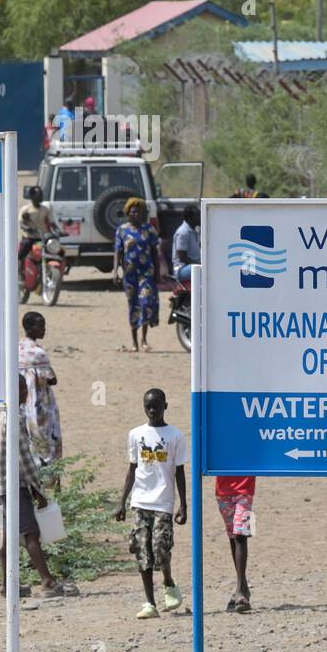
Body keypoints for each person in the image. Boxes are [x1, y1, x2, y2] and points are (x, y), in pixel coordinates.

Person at [116, 388, 188, 619]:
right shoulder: (136, 434)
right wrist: (122, 501)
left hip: (163, 502)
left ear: (165, 406)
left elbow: (179, 472)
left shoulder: (176, 436)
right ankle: (150, 603)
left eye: (156, 406)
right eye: (148, 406)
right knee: (142, 550)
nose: (152, 410)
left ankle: (168, 581)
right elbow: (132, 469)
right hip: (140, 501)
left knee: (160, 548)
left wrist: (183, 504)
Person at [0, 373, 63, 599]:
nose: (26, 393)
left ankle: (7, 584)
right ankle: (47, 581)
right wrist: (37, 489)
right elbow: (23, 458)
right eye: (22, 389)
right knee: (31, 533)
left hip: (1, 483)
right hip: (16, 485)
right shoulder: (15, 418)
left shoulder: (0, 417)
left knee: (8, 534)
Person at [113, 198, 160, 352]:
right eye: (133, 212)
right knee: (133, 305)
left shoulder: (149, 229)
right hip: (129, 274)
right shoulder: (122, 230)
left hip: (146, 272)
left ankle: (144, 339)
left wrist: (158, 272)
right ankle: (134, 342)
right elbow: (118, 251)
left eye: (139, 212)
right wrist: (115, 271)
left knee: (146, 302)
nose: (136, 214)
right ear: (128, 213)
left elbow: (155, 252)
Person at [18, 312, 62, 478]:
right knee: (47, 445)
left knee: (28, 443)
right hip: (40, 406)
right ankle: (51, 483)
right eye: (41, 326)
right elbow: (52, 379)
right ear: (30, 328)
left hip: (21, 404)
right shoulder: (38, 353)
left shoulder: (17, 348)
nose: (44, 329)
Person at [217, 472, 256, 613]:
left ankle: (240, 590)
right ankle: (243, 587)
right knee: (233, 536)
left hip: (245, 491)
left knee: (241, 535)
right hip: (223, 490)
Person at [18, 185, 57, 266]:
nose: (40, 197)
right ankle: (19, 265)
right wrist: (28, 228)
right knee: (23, 250)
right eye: (38, 195)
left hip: (43, 237)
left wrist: (59, 231)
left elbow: (52, 223)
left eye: (41, 194)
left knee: (57, 249)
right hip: (30, 237)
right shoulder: (25, 209)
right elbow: (21, 223)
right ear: (32, 196)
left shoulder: (46, 209)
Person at [172, 204, 200, 284]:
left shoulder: (195, 231)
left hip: (192, 265)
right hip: (181, 269)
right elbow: (182, 257)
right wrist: (199, 263)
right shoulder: (183, 232)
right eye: (198, 216)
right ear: (190, 218)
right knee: (202, 269)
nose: (200, 218)